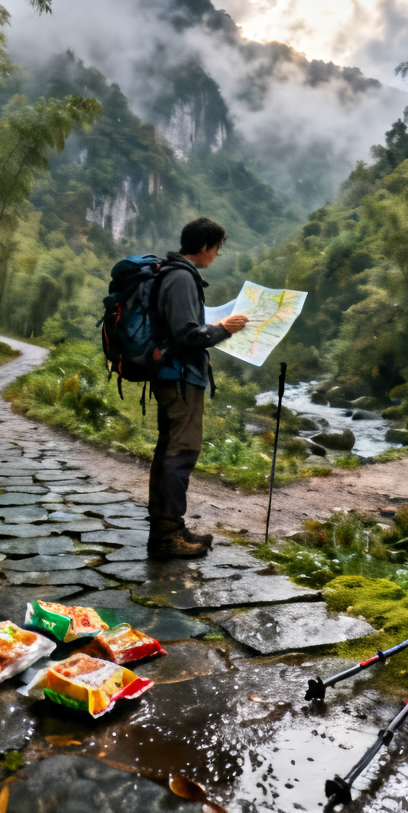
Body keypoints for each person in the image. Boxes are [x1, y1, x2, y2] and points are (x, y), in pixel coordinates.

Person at [147, 217, 247, 560]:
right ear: (205, 246)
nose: (216, 255)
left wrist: (215, 327)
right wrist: (224, 329)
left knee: (169, 452)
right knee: (180, 453)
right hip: (180, 378)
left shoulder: (173, 273)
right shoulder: (181, 277)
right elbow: (187, 334)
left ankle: (169, 529)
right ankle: (167, 536)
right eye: (217, 248)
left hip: (173, 375)